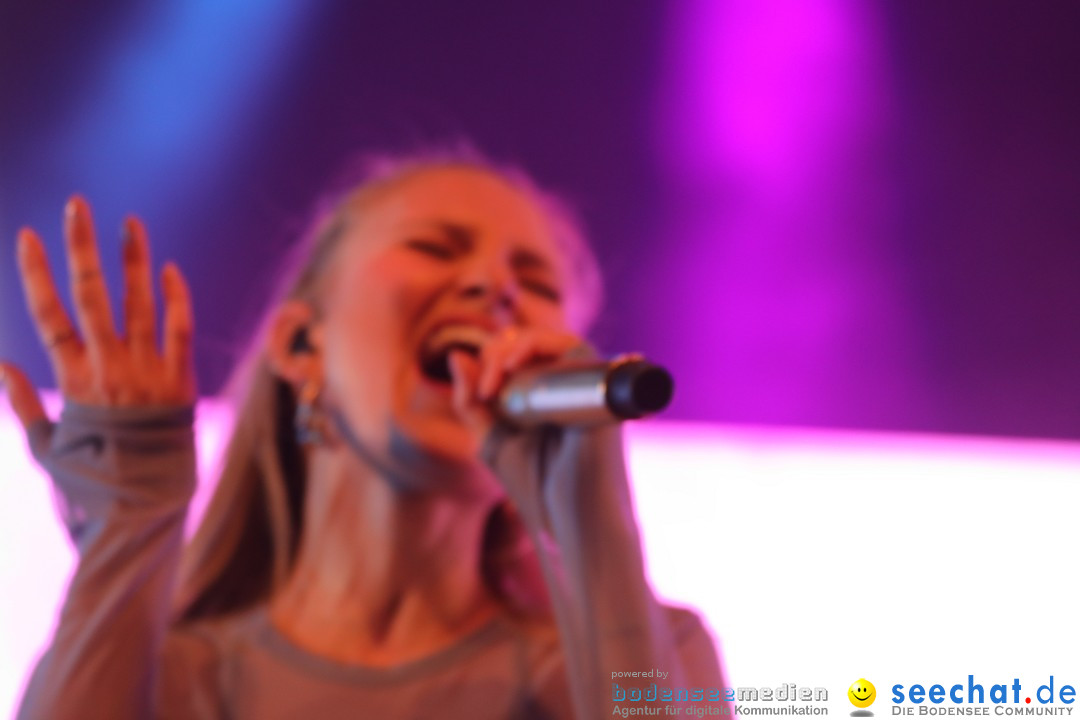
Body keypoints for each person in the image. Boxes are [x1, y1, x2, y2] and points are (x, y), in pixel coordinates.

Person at [1, 148, 728, 719]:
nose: (495, 286)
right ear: (301, 347)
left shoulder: (654, 659)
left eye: (536, 283)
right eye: (436, 247)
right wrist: (130, 531)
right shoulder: (170, 677)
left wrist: (590, 528)